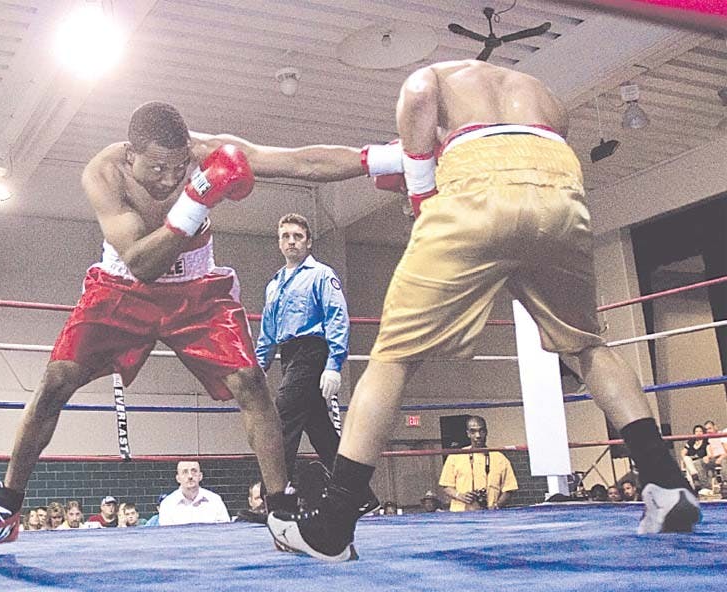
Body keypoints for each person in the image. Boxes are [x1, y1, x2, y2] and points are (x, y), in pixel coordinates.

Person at [268, 59, 701, 561]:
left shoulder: (440, 75)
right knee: (587, 345)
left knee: (393, 357)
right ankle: (666, 483)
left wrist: (423, 190)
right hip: (558, 185)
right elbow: (549, 138)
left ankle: (333, 527)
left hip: (475, 183)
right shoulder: (540, 91)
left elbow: (414, 93)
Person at [0, 100, 383, 555]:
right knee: (56, 380)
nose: (170, 178)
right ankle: (5, 509)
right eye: (157, 167)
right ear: (131, 154)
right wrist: (197, 199)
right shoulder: (105, 173)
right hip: (123, 286)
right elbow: (142, 263)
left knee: (251, 382)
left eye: (178, 167)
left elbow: (300, 161)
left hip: (196, 290)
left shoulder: (205, 153)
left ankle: (281, 512)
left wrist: (384, 159)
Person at [255, 213, 348, 494]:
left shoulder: (321, 274)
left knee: (282, 419)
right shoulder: (274, 285)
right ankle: (359, 494)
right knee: (319, 428)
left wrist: (334, 364)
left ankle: (274, 498)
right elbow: (268, 331)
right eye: (286, 236)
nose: (292, 241)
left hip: (313, 351)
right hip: (289, 354)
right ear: (279, 243)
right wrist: (259, 369)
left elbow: (337, 317)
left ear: (308, 242)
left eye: (298, 236)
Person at [438, 416, 517, 512]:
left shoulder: (500, 458)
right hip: (460, 516)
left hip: (491, 516)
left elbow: (509, 489)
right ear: (468, 434)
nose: (478, 435)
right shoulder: (455, 456)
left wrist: (496, 506)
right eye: (473, 431)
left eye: (481, 431)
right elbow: (446, 486)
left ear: (486, 432)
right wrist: (460, 496)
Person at [158, 461, 230, 525]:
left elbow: (224, 532)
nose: (190, 476)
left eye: (194, 471)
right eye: (185, 472)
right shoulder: (167, 504)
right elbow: (166, 537)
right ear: (178, 478)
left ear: (200, 476)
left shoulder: (215, 500)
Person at [680, 424, 709, 492]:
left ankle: (694, 488)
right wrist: (684, 459)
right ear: (694, 433)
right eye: (696, 431)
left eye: (700, 431)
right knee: (686, 459)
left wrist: (707, 457)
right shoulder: (691, 441)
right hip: (690, 460)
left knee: (688, 467)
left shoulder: (706, 441)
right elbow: (683, 452)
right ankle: (695, 478)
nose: (698, 433)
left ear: (703, 432)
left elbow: (709, 453)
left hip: (700, 461)